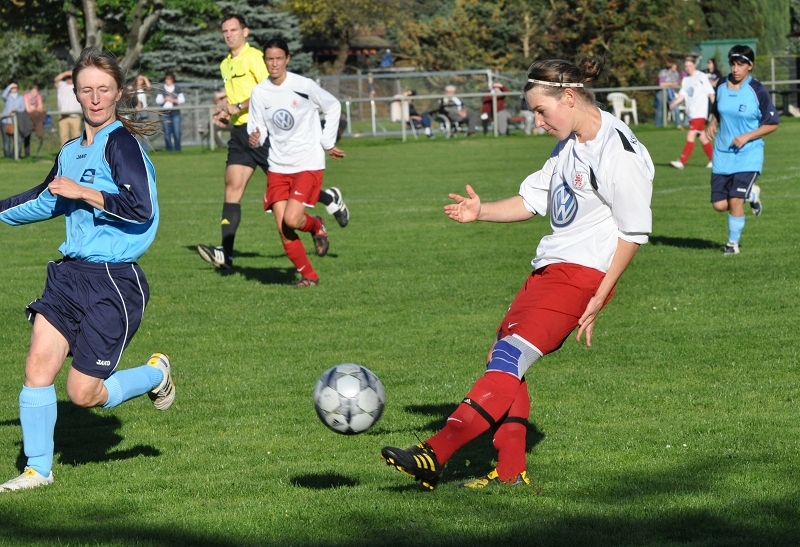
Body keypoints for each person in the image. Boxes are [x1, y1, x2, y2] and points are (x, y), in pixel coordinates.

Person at [381, 56, 653, 490]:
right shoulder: (567, 146)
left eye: (542, 111)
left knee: (509, 357)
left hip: (579, 279)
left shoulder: (619, 152)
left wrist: (600, 294)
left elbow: (634, 231)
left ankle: (436, 452)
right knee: (504, 361)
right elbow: (531, 202)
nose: (538, 121)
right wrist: (481, 211)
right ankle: (509, 469)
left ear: (569, 97)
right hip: (548, 272)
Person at [0, 47, 174, 492]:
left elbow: (141, 211)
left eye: (103, 89)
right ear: (75, 94)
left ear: (117, 92)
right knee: (38, 365)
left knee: (83, 394)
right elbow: (45, 198)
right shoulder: (72, 149)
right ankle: (38, 470)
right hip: (69, 276)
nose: (95, 98)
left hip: (113, 282)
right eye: (86, 90)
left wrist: (86, 193)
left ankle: (156, 373)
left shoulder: (123, 144)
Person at [197, 15, 348, 271]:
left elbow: (264, 91)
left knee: (289, 190)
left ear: (245, 31)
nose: (229, 35)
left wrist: (237, 107)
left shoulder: (256, 57)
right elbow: (245, 99)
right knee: (232, 188)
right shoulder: (225, 64)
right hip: (242, 134)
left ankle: (328, 198)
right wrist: (227, 112)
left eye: (234, 30)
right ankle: (227, 253)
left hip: (266, 132)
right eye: (225, 31)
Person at [247, 38, 345, 288]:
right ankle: (309, 275)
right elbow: (257, 128)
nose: (274, 63)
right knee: (283, 226)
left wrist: (326, 141)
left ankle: (316, 225)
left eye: (279, 58)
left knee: (292, 219)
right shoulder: (260, 92)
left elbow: (333, 106)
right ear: (265, 61)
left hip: (307, 163)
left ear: (287, 59)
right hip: (278, 166)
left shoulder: (304, 85)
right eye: (270, 59)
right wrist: (255, 137)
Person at [706, 45, 778, 255]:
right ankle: (752, 195)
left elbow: (772, 123)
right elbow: (717, 110)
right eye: (733, 64)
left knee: (735, 200)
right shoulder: (721, 84)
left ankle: (732, 245)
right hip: (722, 153)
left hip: (749, 154)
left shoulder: (757, 91)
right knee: (720, 205)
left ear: (750, 66)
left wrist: (747, 136)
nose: (736, 69)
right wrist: (713, 122)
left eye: (741, 65)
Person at [668, 55, 715, 169]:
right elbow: (683, 94)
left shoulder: (701, 76)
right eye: (686, 66)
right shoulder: (686, 79)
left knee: (691, 135)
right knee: (702, 137)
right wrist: (674, 103)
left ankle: (682, 161)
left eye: (690, 65)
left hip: (700, 113)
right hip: (692, 113)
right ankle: (715, 160)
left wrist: (716, 108)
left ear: (694, 65)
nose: (688, 68)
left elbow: (710, 92)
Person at [155, 72, 185, 152]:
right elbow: (158, 101)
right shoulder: (162, 88)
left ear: (172, 79)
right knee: (167, 131)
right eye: (166, 78)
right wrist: (165, 99)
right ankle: (169, 149)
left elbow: (182, 99)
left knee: (177, 131)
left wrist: (174, 100)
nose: (167, 80)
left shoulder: (177, 88)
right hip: (165, 113)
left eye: (169, 79)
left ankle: (178, 149)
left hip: (175, 112)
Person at [54, 69, 83, 144]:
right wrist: (66, 73)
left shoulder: (78, 85)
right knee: (63, 136)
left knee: (76, 136)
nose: (69, 78)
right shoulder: (61, 85)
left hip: (75, 115)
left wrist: (74, 73)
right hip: (63, 116)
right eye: (68, 77)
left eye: (71, 77)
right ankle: (64, 154)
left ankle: (76, 153)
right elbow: (56, 79)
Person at [654, 60, 681, 128]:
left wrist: (668, 84)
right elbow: (661, 84)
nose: (676, 67)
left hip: (671, 92)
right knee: (660, 108)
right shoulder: (663, 72)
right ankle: (658, 125)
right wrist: (670, 83)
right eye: (674, 65)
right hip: (662, 92)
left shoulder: (676, 73)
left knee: (675, 107)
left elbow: (676, 83)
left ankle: (678, 125)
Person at [2, 82, 26, 158]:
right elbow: (3, 95)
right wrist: (9, 86)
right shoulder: (7, 97)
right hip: (5, 121)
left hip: (16, 121)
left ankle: (15, 155)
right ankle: (7, 156)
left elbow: (23, 108)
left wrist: (16, 109)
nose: (13, 89)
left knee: (18, 140)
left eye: (15, 87)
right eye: (12, 88)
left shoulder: (21, 97)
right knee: (7, 140)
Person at [24, 84, 47, 158]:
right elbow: (28, 109)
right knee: (26, 136)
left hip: (35, 116)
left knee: (41, 115)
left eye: (36, 92)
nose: (34, 93)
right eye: (33, 91)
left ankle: (39, 130)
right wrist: (34, 108)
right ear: (30, 91)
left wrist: (34, 108)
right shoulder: (26, 96)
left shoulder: (38, 97)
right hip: (27, 118)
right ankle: (26, 154)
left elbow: (41, 107)